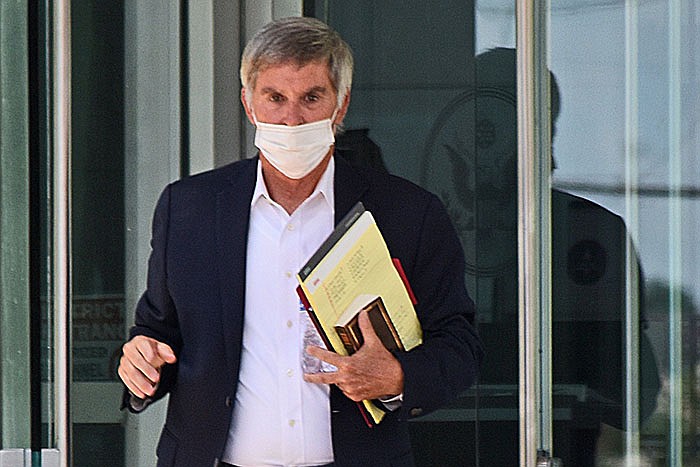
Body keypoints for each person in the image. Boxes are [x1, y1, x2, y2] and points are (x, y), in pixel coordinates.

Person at [117, 16, 483, 467]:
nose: (291, 119)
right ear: (249, 105)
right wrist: (143, 362)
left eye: (312, 98)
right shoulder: (188, 209)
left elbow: (460, 346)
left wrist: (396, 376)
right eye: (275, 98)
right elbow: (158, 332)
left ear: (341, 105)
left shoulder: (408, 214)